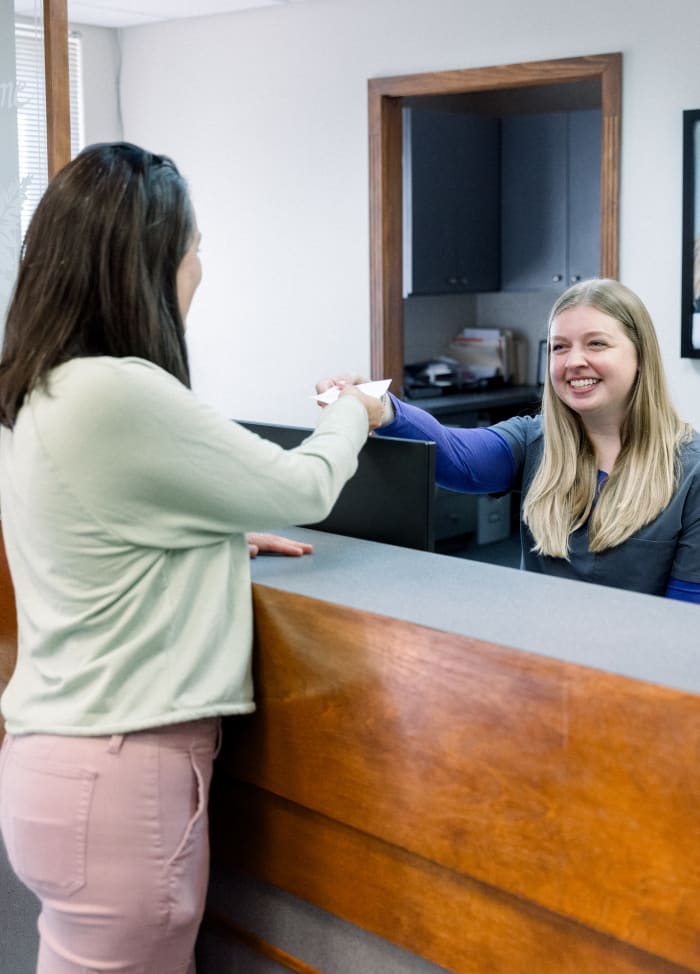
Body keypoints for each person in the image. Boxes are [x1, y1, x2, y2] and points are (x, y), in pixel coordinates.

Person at [0, 141, 383, 974]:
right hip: (122, 775)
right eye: (195, 246)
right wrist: (355, 409)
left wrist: (214, 530)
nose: (200, 267)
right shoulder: (121, 389)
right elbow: (304, 486)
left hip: (57, 764)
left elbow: (89, 527)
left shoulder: (47, 387)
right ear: (147, 262)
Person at [318, 278, 700, 603]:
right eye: (560, 347)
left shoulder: (691, 469)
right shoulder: (534, 440)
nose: (573, 362)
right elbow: (457, 456)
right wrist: (381, 407)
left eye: (596, 344)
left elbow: (684, 616)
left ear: (640, 356)